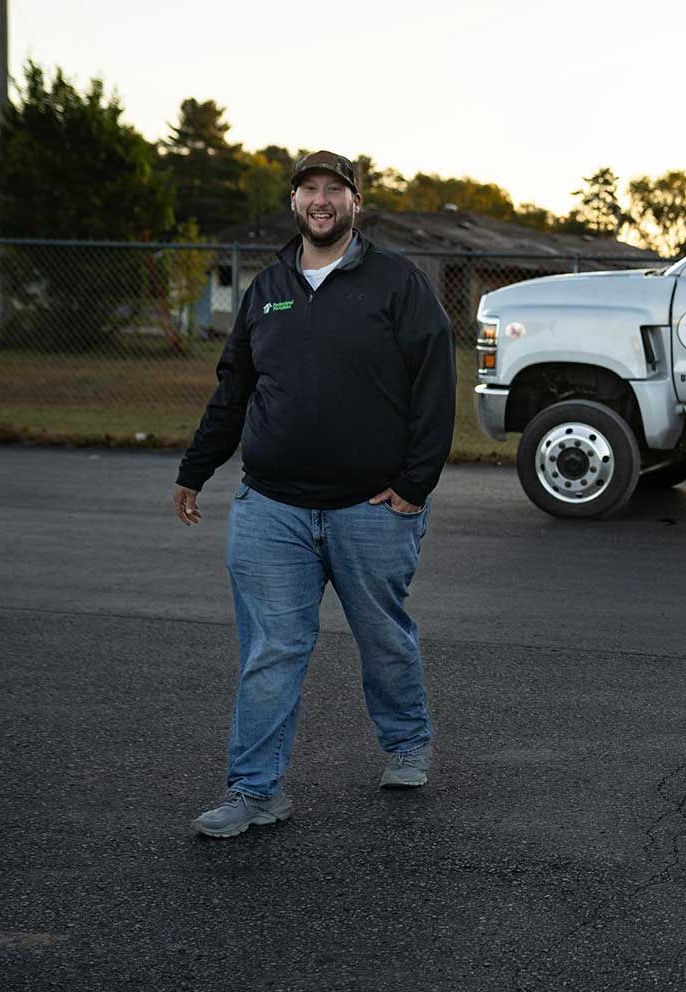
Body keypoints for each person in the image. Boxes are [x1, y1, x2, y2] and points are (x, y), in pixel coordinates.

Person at [174, 150, 456, 837]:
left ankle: (406, 743)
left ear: (356, 202)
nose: (321, 200)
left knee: (383, 636)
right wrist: (196, 467)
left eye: (335, 189)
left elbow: (435, 386)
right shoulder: (266, 286)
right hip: (272, 506)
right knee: (273, 647)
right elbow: (235, 387)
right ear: (295, 203)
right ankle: (256, 790)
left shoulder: (397, 282)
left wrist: (414, 484)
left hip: (370, 508)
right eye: (309, 190)